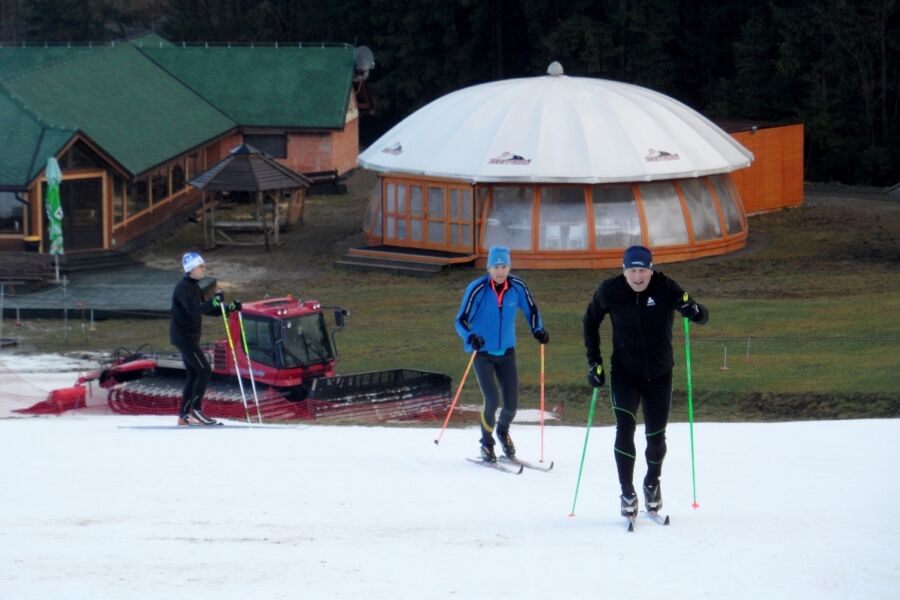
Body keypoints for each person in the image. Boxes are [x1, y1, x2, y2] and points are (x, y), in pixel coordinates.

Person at [582, 245, 708, 517]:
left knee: (655, 437)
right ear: (624, 270)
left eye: (643, 271)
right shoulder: (610, 291)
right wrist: (595, 363)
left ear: (651, 270)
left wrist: (693, 310)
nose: (638, 277)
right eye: (632, 271)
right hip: (625, 373)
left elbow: (701, 314)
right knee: (624, 428)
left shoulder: (665, 287)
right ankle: (627, 491)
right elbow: (589, 322)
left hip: (660, 374)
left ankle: (652, 482)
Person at [454, 246, 549, 462]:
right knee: (492, 400)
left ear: (509, 267)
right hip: (483, 353)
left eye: (503, 266)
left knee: (511, 404)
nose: (499, 271)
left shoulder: (517, 287)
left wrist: (538, 330)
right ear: (488, 268)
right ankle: (487, 444)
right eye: (496, 266)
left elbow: (531, 310)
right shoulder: (477, 289)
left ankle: (502, 432)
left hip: (507, 352)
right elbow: (460, 320)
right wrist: (470, 337)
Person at [170, 252, 240, 426]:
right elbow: (194, 310)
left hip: (190, 337)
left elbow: (207, 309)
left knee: (194, 373)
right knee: (204, 370)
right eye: (201, 266)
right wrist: (214, 302)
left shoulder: (195, 287)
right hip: (183, 337)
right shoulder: (183, 288)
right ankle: (196, 410)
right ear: (191, 269)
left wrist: (228, 307)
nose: (204, 269)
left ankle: (184, 415)